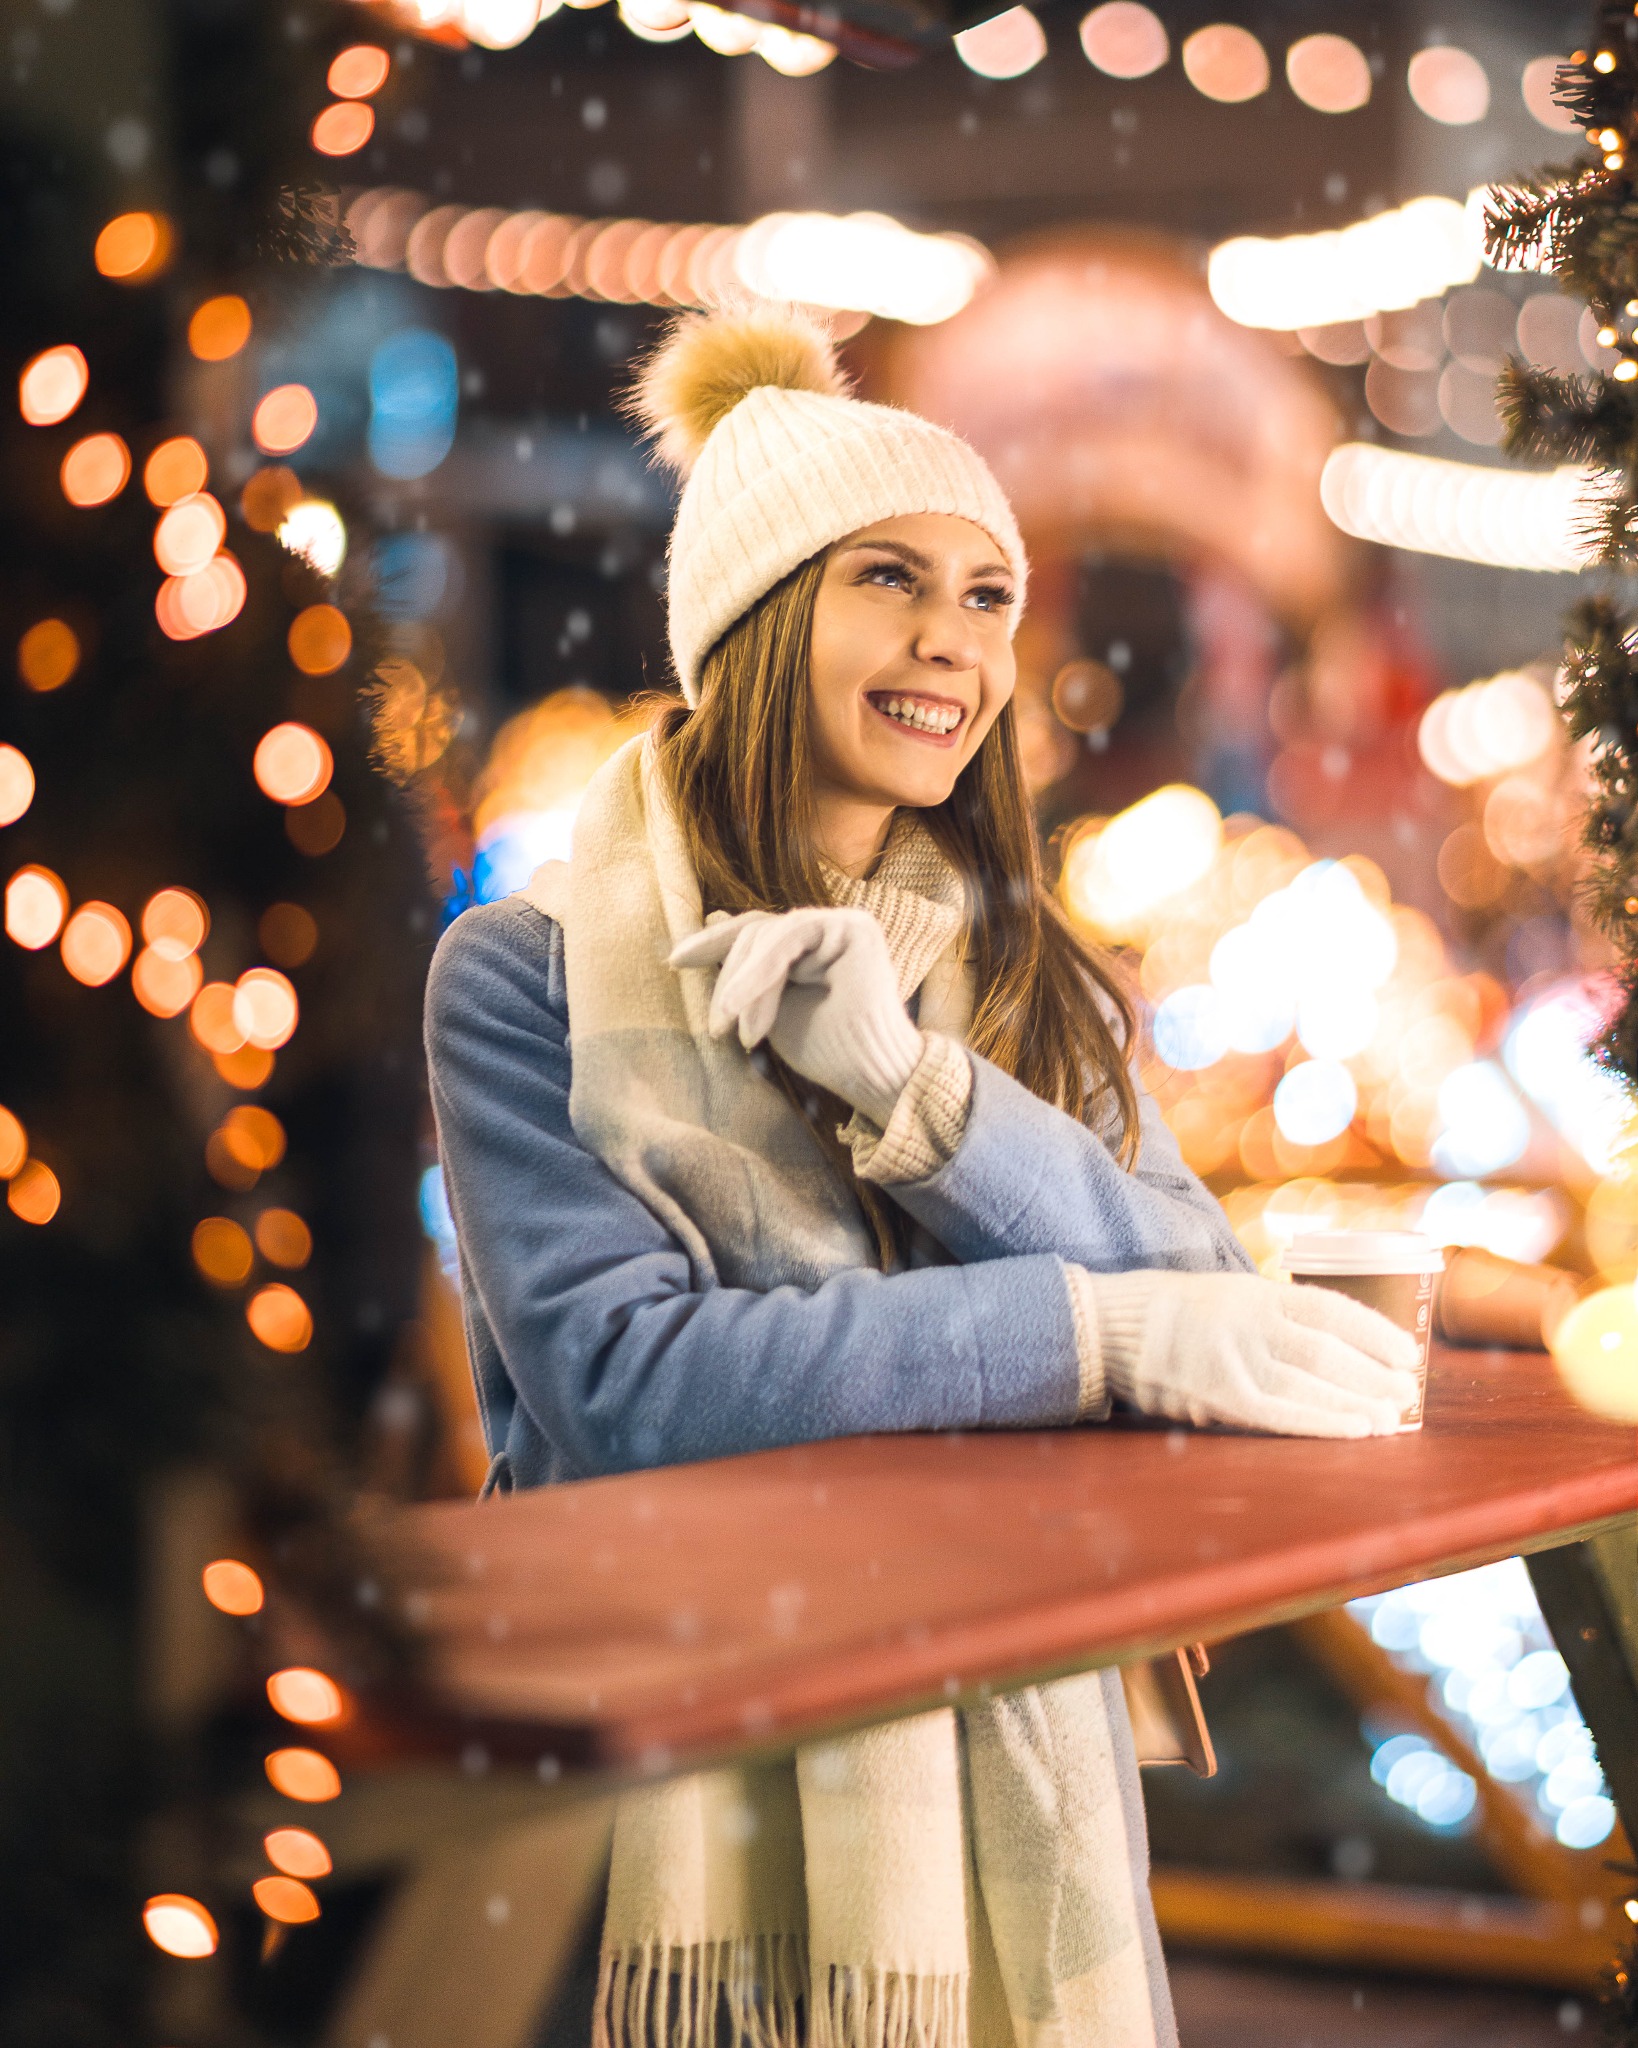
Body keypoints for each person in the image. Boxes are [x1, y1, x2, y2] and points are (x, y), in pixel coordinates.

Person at [425, 302, 1418, 2048]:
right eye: (889, 579)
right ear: (753, 614)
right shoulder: (530, 975)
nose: (953, 645)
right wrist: (1087, 1344)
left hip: (1009, 1720)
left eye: (986, 598)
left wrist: (920, 1093)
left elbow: (1199, 1277)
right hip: (657, 1769)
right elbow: (630, 1388)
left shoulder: (1031, 973)